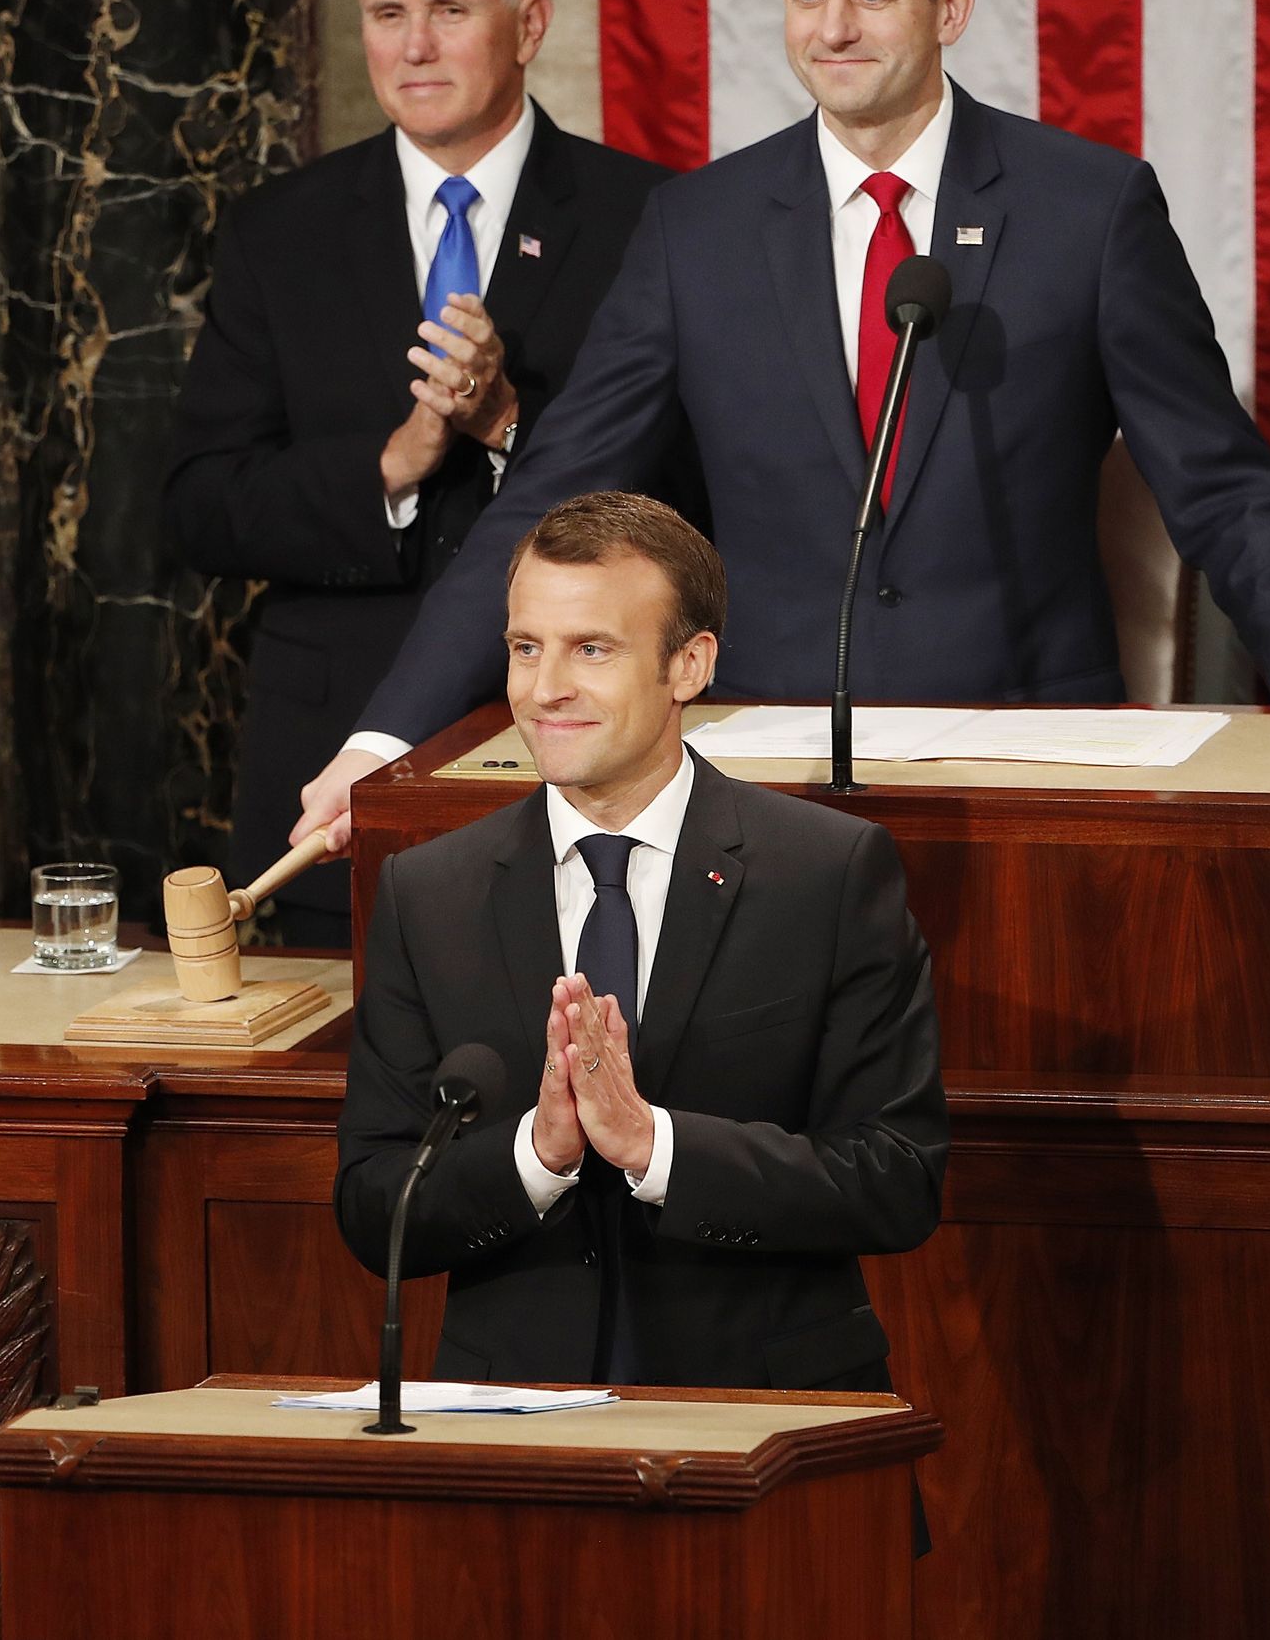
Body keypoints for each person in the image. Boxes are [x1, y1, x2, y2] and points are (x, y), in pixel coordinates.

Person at [294, 0, 1270, 859]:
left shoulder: (1086, 210)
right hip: (767, 773)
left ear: (949, 6)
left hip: (1031, 755)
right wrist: (384, 740)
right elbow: (549, 496)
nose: (832, 29)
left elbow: (1216, 475)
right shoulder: (698, 230)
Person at [334, 492, 947, 1391]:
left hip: (761, 1413)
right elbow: (372, 1199)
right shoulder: (430, 893)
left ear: (688, 664)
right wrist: (536, 1154)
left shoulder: (827, 872)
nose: (545, 688)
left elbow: (896, 1176)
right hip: (518, 1423)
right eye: (525, 647)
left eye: (592, 649)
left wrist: (655, 1144)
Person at [163, 0, 680, 944]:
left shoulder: (653, 218)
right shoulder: (280, 231)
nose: (414, 47)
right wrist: (389, 467)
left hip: (576, 768)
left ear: (529, 24)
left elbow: (695, 496)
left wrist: (506, 425)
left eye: (449, 10)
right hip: (340, 779)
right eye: (387, 14)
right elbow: (199, 506)